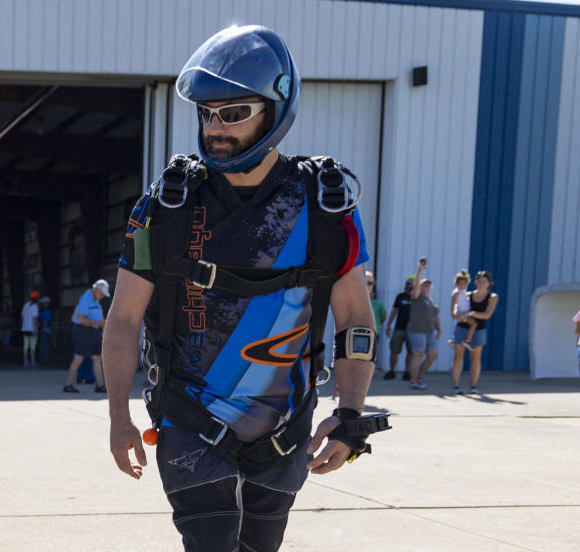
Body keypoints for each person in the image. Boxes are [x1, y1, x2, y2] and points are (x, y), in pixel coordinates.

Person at [105, 26, 380, 551]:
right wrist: (119, 418)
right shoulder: (165, 206)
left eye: (232, 114)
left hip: (285, 428)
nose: (215, 128)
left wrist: (349, 415)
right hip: (189, 420)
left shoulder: (325, 205)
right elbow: (122, 317)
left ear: (276, 110)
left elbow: (354, 317)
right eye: (207, 114)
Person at [450, 270, 498, 394]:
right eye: (479, 281)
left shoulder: (492, 297)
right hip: (462, 327)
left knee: (475, 358)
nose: (482, 283)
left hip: (479, 330)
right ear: (475, 282)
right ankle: (456, 386)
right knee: (458, 357)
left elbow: (487, 315)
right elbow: (456, 310)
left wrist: (471, 314)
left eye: (484, 281)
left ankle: (473, 386)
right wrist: (458, 315)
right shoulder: (468, 294)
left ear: (489, 283)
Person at [64, 279, 108, 393]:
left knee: (96, 358)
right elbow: (80, 319)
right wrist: (98, 323)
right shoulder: (86, 298)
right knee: (79, 358)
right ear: (96, 289)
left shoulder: (95, 300)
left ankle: (100, 385)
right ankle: (68, 384)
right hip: (82, 330)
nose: (102, 296)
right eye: (102, 293)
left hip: (93, 331)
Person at [405, 261, 439, 390]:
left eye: (428, 285)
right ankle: (414, 381)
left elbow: (435, 316)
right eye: (424, 285)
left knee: (433, 354)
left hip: (430, 331)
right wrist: (419, 270)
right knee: (418, 354)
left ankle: (419, 376)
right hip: (417, 330)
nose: (426, 287)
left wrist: (439, 329)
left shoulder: (431, 300)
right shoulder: (417, 297)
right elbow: (416, 285)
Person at [383, 276, 416, 380]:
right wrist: (389, 325)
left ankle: (407, 372)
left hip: (412, 330)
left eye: (410, 284)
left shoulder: (417, 298)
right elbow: (394, 311)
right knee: (394, 350)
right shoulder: (400, 296)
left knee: (411, 352)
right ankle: (392, 371)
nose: (407, 286)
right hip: (399, 328)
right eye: (406, 283)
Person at [449, 269, 476, 351]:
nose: (462, 285)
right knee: (473, 324)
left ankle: (453, 340)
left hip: (465, 312)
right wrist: (453, 313)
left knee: (465, 325)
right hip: (462, 312)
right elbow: (453, 303)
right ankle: (467, 340)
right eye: (460, 283)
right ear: (456, 283)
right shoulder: (456, 292)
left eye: (464, 283)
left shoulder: (463, 292)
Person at [366, 271, 387, 374]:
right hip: (354, 333)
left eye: (370, 283)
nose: (368, 285)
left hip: (373, 332)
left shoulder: (378, 304)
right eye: (365, 282)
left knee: (371, 354)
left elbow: (383, 317)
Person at [21, 292, 40, 367]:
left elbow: (22, 316)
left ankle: (25, 361)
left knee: (25, 345)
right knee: (32, 346)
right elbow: (34, 319)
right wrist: (35, 329)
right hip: (32, 328)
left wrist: (25, 322)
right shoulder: (35, 306)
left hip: (25, 328)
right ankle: (33, 361)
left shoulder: (25, 305)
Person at [37, 296, 54, 366]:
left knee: (44, 345)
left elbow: (39, 318)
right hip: (47, 329)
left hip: (44, 329)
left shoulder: (45, 312)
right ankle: (45, 359)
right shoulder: (47, 311)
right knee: (45, 345)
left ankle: (45, 360)